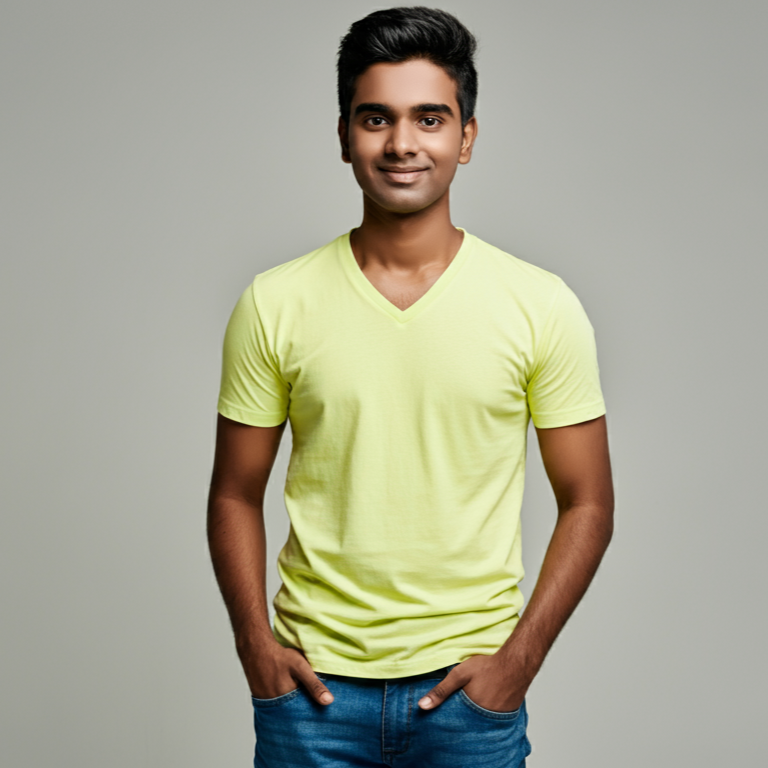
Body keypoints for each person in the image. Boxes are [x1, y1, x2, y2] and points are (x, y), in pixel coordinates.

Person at [207, 6, 614, 767]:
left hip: (470, 700)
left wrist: (517, 664)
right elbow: (234, 492)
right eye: (376, 118)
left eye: (430, 118)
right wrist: (256, 650)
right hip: (312, 700)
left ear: (467, 137)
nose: (401, 144)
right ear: (342, 135)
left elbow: (589, 502)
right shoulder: (275, 302)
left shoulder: (540, 305)